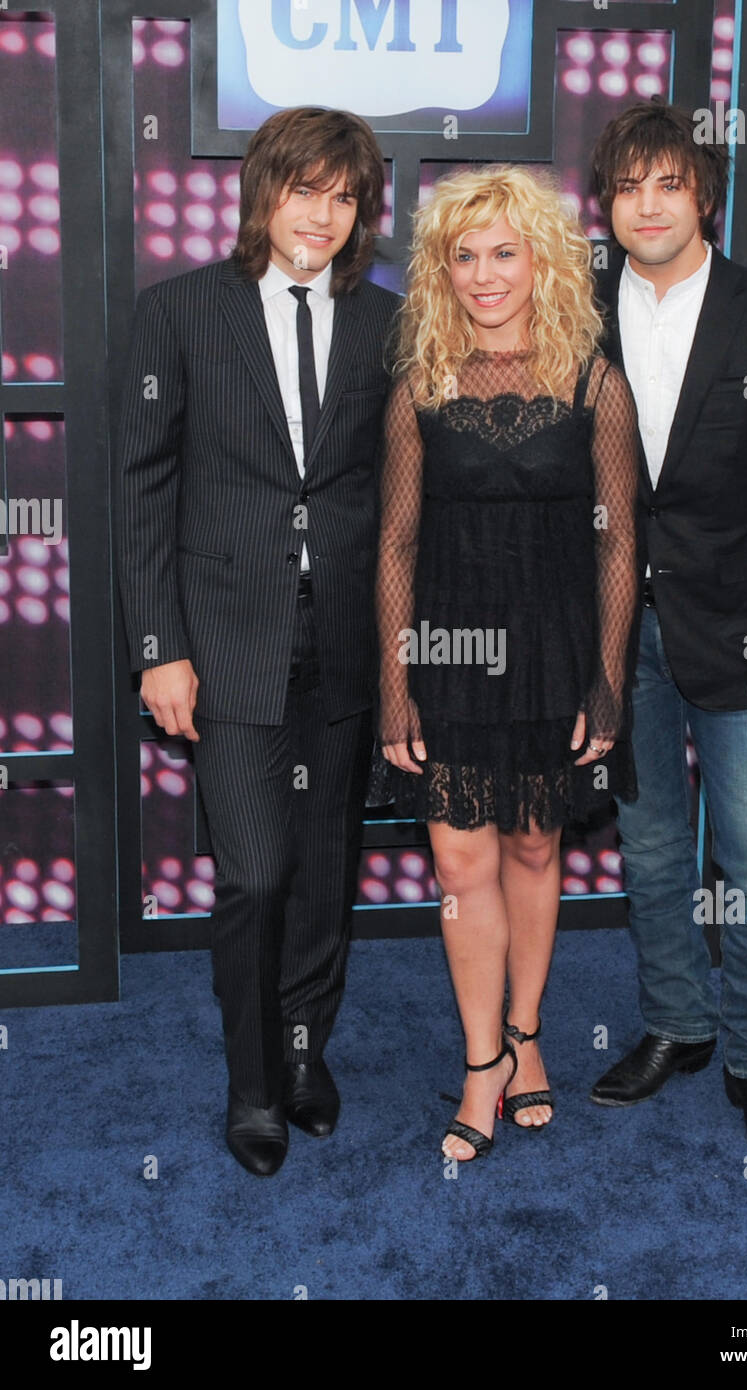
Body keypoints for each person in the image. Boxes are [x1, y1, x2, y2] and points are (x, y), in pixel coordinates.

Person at [116, 107, 400, 1176]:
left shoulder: (386, 323)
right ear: (261, 192)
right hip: (224, 644)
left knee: (326, 868)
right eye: (303, 190)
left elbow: (393, 488)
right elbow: (142, 491)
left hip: (343, 647)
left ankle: (302, 1049)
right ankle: (250, 1085)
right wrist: (158, 645)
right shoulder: (178, 314)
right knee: (256, 874)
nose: (321, 215)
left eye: (343, 196)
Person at [369, 165, 639, 1162]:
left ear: (542, 260)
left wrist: (605, 671)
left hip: (557, 648)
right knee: (457, 858)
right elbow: (394, 542)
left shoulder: (589, 378)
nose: (485, 275)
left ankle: (526, 1037)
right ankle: (481, 1059)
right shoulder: (420, 382)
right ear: (443, 271)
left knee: (532, 847)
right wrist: (396, 679)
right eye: (464, 255)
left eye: (504, 252)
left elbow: (617, 540)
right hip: (444, 645)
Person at [588, 99, 747, 1165]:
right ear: (607, 204)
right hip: (612, 636)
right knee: (646, 850)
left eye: (666, 183)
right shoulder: (575, 307)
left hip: (737, 634)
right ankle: (677, 1025)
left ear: (704, 197)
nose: (646, 204)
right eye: (627, 186)